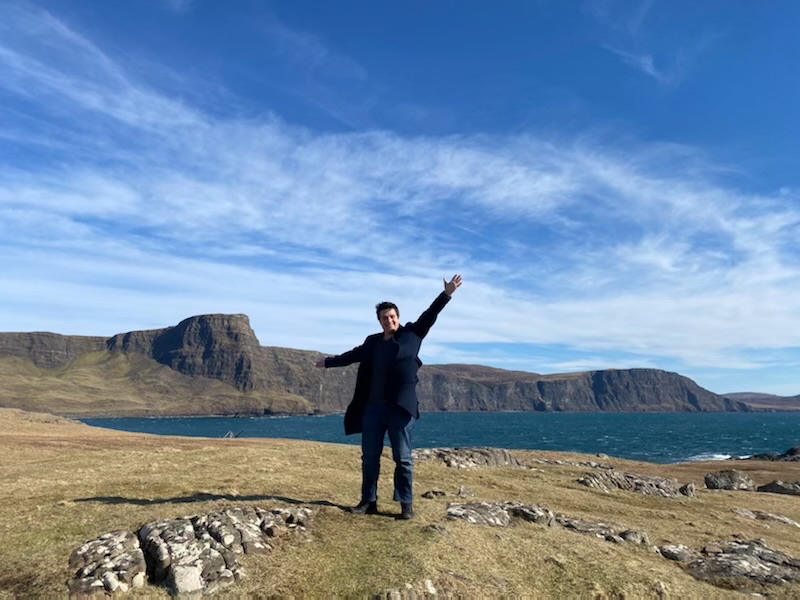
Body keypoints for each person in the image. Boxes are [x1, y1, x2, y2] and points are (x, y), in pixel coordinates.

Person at [315, 274, 463, 519]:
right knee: (369, 457)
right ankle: (368, 501)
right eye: (384, 318)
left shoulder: (412, 334)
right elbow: (352, 355)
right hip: (373, 409)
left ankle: (406, 504)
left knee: (402, 458)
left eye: (392, 316)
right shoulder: (372, 342)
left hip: (400, 409)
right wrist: (327, 363)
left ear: (398, 317)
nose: (389, 320)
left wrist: (446, 294)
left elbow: (431, 313)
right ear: (379, 321)